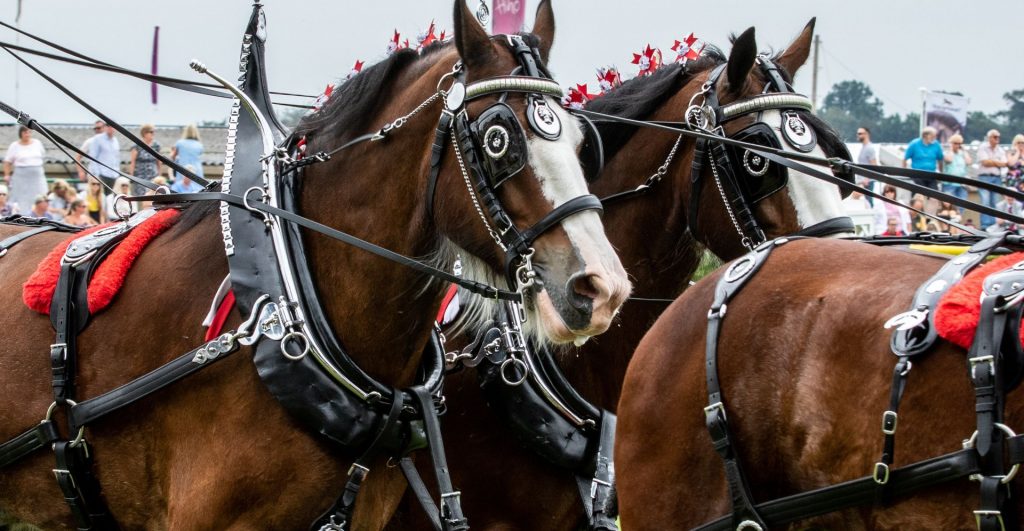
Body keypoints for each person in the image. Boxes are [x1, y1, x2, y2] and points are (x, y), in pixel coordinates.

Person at [3, 125, 47, 215]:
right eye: (25, 132)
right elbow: (7, 162)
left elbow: (43, 157)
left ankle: (39, 216)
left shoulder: (37, 143)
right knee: (21, 199)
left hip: (37, 176)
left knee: (40, 196)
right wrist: (7, 175)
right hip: (21, 176)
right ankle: (21, 216)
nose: (27, 134)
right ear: (21, 133)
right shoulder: (14, 146)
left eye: (29, 132)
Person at [977, 129, 1008, 228]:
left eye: (998, 137)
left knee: (995, 202)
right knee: (985, 201)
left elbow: (1004, 163)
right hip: (984, 177)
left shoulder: (1000, 149)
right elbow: (984, 162)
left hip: (996, 178)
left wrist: (992, 161)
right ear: (989, 138)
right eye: (995, 137)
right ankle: (985, 226)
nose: (997, 139)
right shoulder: (983, 147)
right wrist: (997, 162)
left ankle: (994, 226)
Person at [128, 123, 162, 196]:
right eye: (151, 132)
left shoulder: (156, 145)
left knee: (153, 196)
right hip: (140, 177)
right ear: (145, 133)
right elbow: (132, 162)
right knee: (141, 196)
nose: (153, 134)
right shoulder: (136, 145)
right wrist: (131, 177)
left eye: (153, 132)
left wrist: (159, 175)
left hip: (153, 176)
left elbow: (159, 161)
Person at [942, 133, 972, 205]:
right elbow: (949, 159)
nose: (957, 145)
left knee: (962, 204)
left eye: (959, 144)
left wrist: (964, 150)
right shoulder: (946, 153)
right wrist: (951, 149)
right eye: (955, 143)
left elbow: (969, 162)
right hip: (950, 183)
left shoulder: (962, 154)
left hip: (961, 183)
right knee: (948, 203)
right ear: (951, 143)